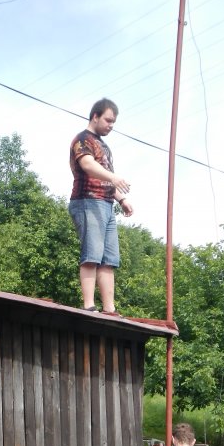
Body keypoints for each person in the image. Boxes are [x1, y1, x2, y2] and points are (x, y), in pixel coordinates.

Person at [68, 98, 133, 315]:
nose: (111, 126)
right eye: (108, 120)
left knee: (109, 259)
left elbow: (105, 180)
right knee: (92, 255)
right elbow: (87, 165)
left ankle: (109, 309)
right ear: (95, 116)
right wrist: (114, 178)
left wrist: (122, 200)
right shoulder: (82, 139)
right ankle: (88, 306)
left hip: (106, 204)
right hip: (87, 201)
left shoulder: (104, 146)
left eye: (113, 122)